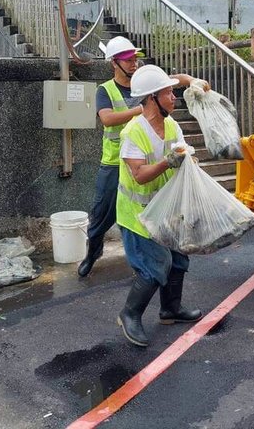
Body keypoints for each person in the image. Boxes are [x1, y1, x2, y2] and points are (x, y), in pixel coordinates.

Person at [77, 37, 203, 278]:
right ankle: (92, 254)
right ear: (115, 63)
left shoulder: (146, 82)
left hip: (145, 161)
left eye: (136, 58)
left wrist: (194, 81)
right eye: (128, 60)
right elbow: (107, 119)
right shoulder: (106, 90)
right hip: (114, 162)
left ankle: (147, 262)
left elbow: (179, 79)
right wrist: (143, 107)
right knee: (100, 216)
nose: (134, 63)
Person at [115, 65, 203, 347]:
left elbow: (182, 156)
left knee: (178, 258)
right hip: (138, 216)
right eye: (168, 92)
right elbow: (139, 176)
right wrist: (169, 161)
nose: (173, 96)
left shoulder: (172, 126)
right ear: (152, 98)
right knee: (155, 265)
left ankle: (170, 310)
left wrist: (190, 161)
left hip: (165, 209)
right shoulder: (133, 132)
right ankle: (129, 315)